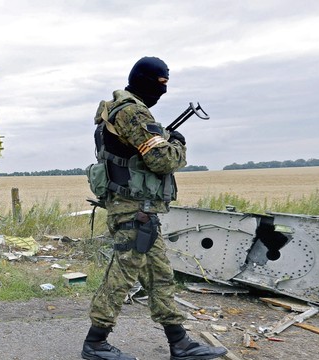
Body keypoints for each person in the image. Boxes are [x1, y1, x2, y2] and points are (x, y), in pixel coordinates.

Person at [81, 57, 227, 360]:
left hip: (140, 208)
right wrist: (178, 144)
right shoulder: (132, 112)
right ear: (143, 80)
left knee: (159, 275)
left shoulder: (118, 110)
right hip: (134, 210)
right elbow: (163, 160)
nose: (163, 90)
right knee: (122, 273)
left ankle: (179, 342)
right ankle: (95, 343)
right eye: (160, 83)